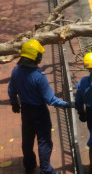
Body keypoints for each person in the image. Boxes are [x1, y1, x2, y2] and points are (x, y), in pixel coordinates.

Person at [8, 39, 71, 174]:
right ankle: (46, 170)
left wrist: (14, 103)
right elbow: (50, 99)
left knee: (27, 139)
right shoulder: (38, 76)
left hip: (25, 110)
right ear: (36, 57)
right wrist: (67, 104)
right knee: (44, 142)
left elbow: (11, 90)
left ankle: (29, 165)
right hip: (39, 112)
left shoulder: (16, 71)